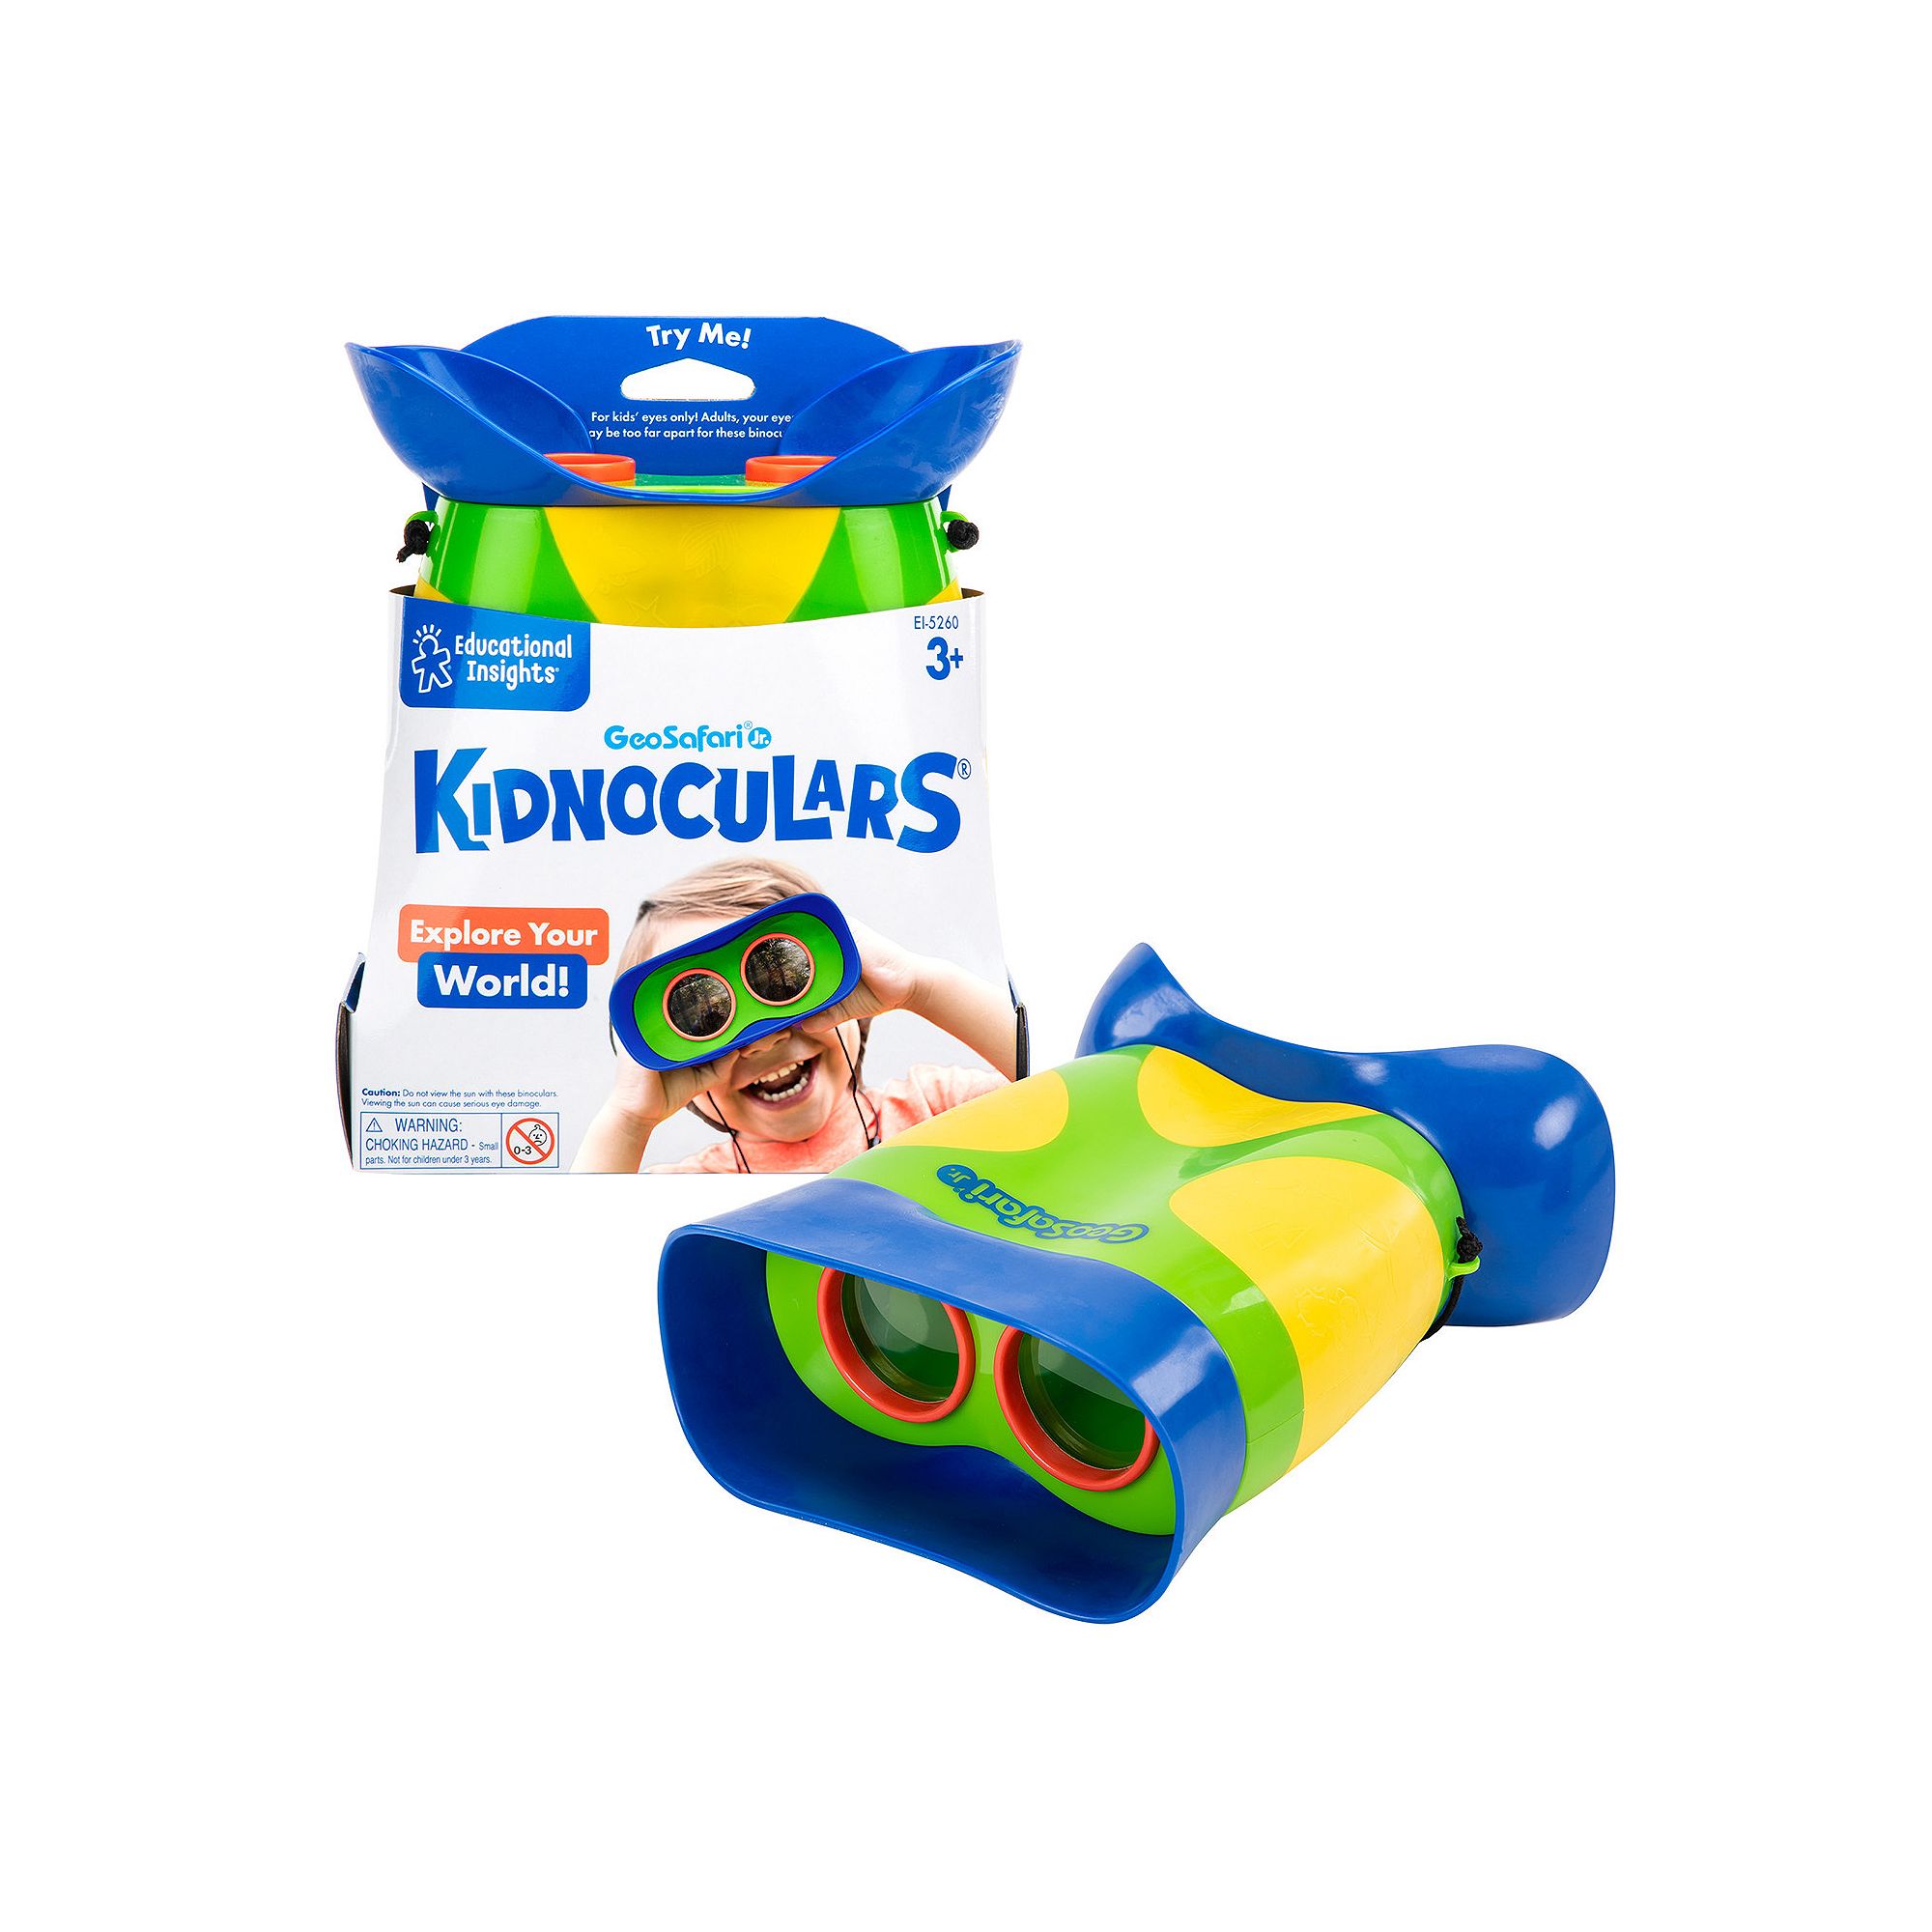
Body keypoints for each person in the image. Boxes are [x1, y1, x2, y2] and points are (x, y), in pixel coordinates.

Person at [572, 857, 1016, 1174]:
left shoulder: (939, 1109)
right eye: (702, 1013)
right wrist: (629, 1121)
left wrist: (921, 986)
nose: (764, 1040)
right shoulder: (687, 1191)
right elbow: (579, 1259)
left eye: (782, 977)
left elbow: (1059, 1080)